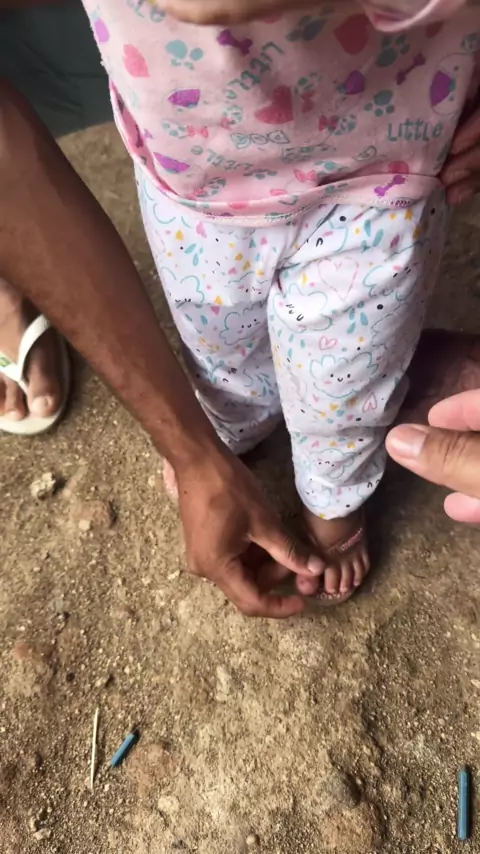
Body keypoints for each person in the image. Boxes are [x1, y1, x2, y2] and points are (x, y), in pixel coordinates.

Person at [1, 0, 479, 617]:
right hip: (191, 179)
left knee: (349, 382)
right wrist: (191, 449)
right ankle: (230, 429)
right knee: (217, 343)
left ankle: (332, 496)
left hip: (384, 174)